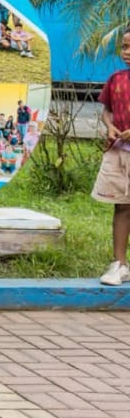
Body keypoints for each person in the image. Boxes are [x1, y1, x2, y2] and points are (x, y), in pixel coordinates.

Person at [93, 29, 130, 286]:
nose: (127, 52)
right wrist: (109, 126)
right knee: (122, 205)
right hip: (119, 153)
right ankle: (119, 264)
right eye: (125, 47)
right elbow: (107, 110)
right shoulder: (116, 79)